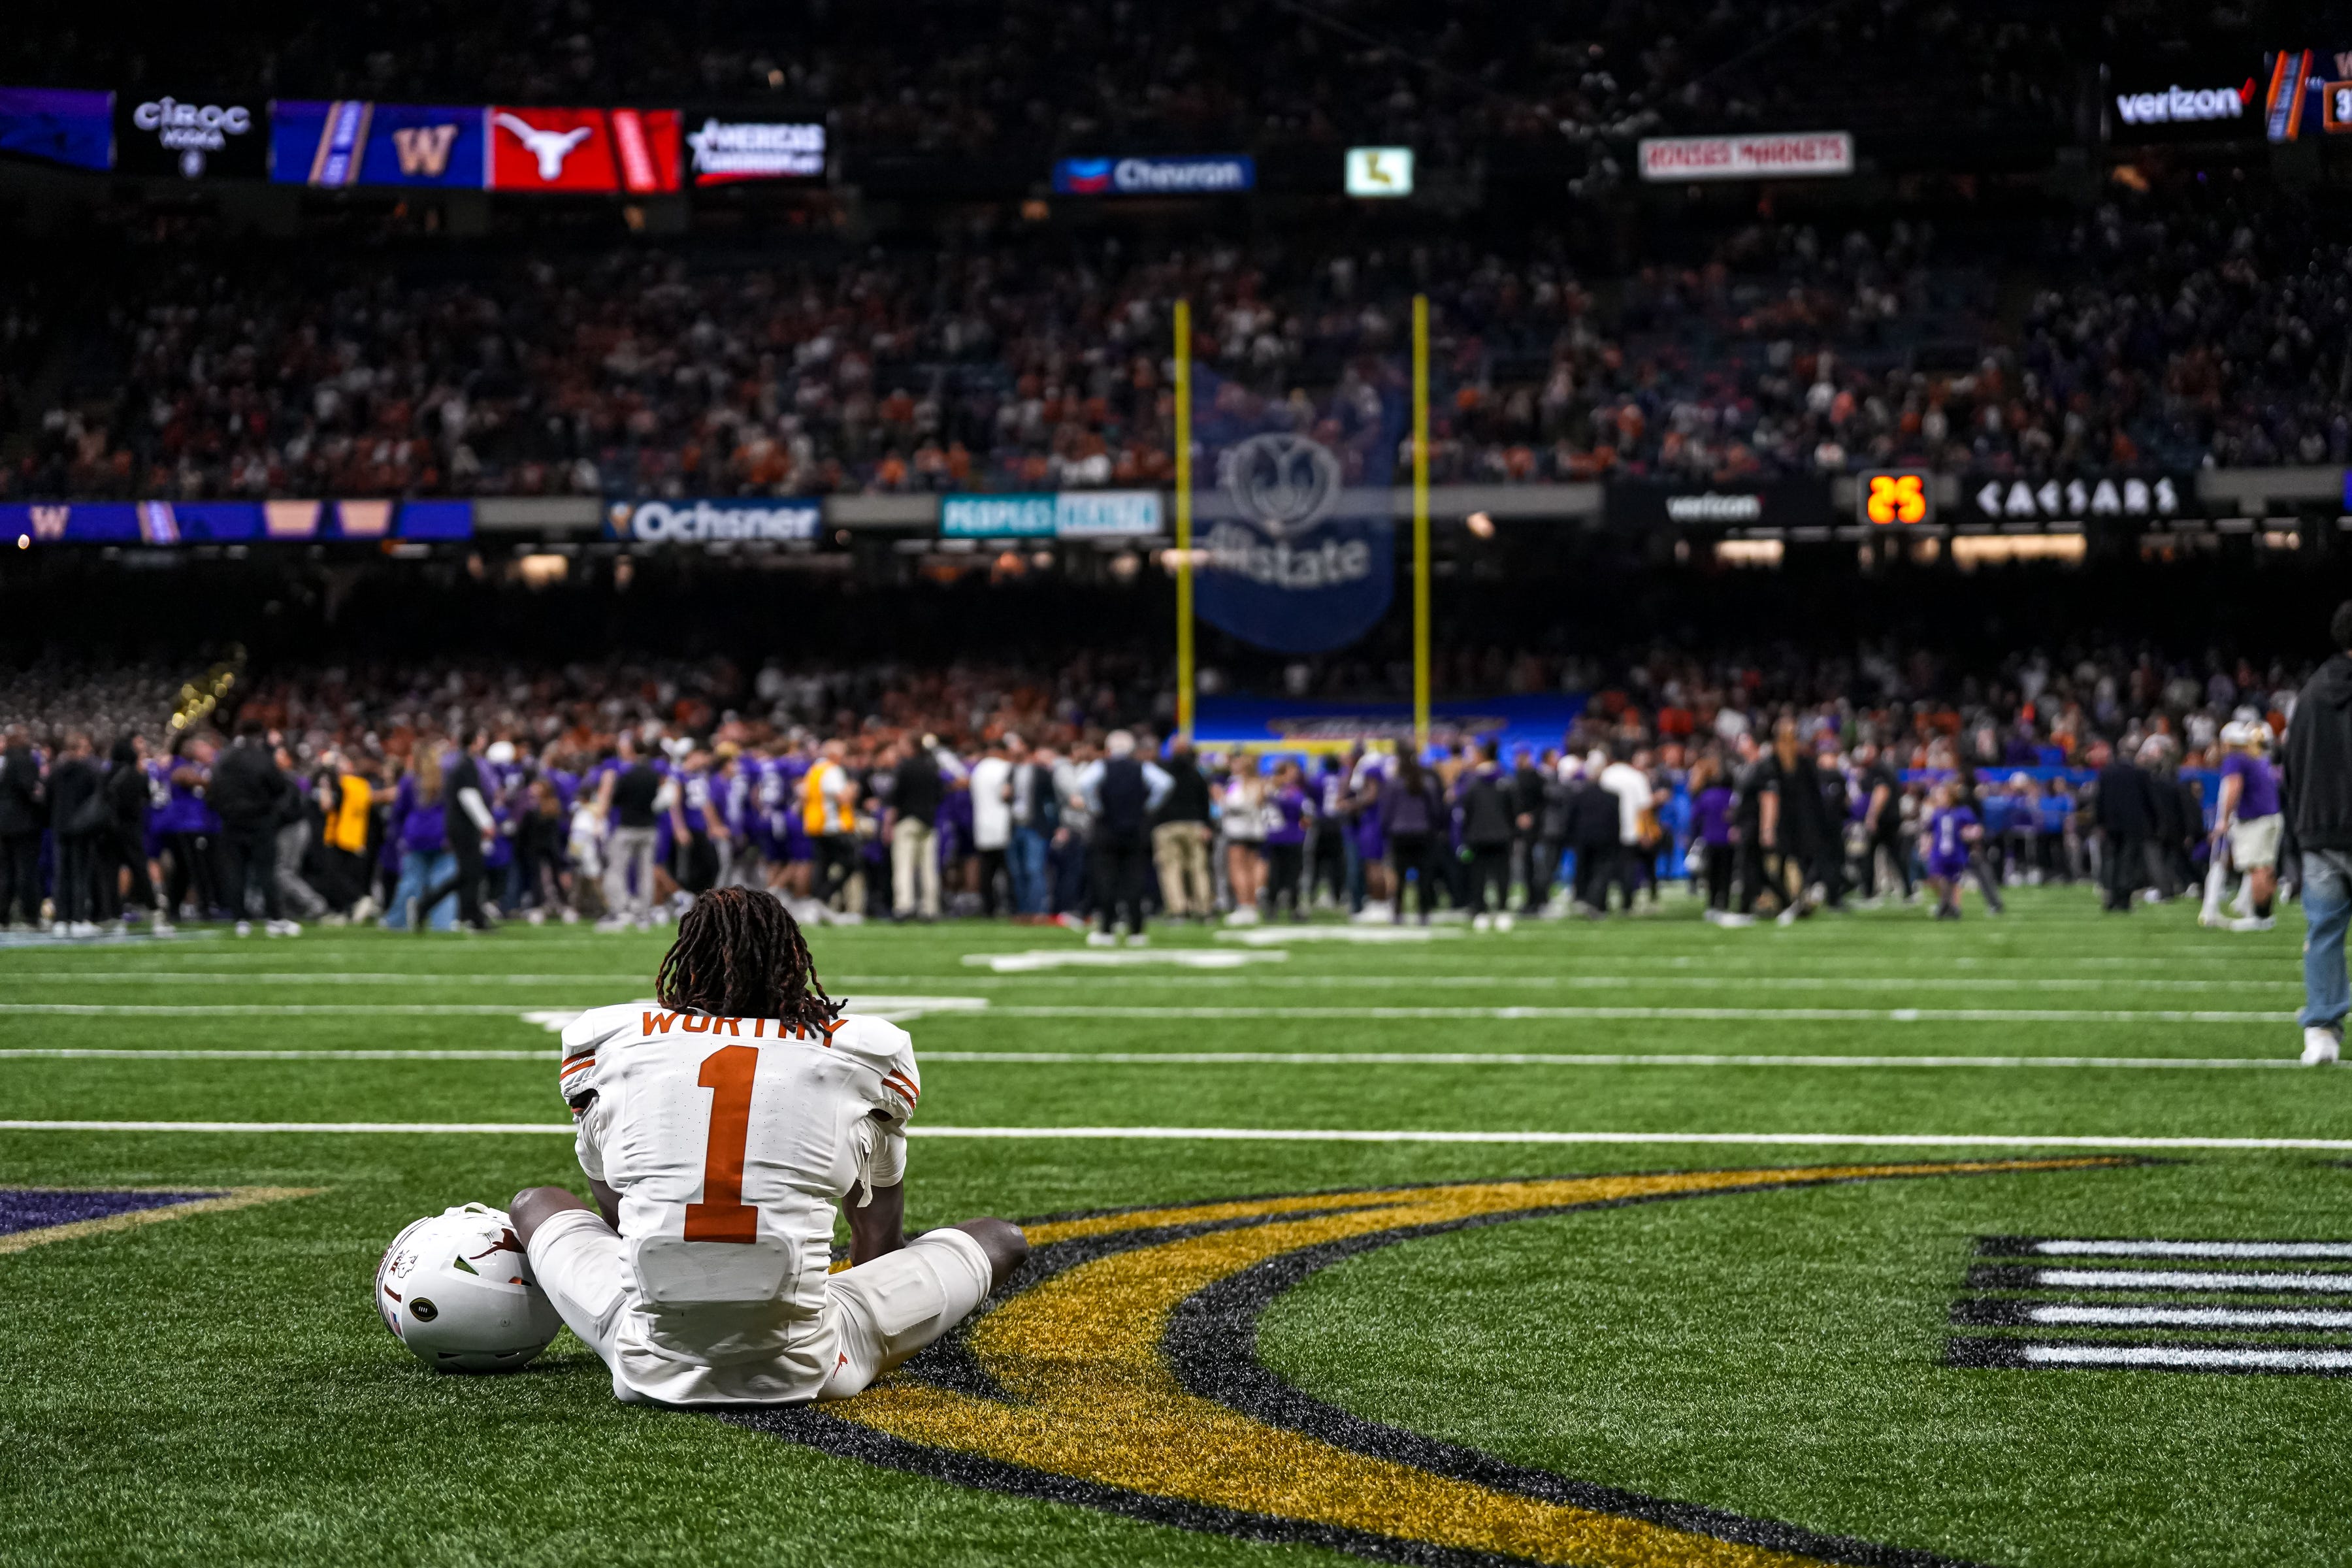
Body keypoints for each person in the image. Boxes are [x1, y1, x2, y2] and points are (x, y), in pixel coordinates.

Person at [508, 887, 1029, 1406]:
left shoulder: (612, 1046)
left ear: (686, 967)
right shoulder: (862, 1055)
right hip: (807, 1365)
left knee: (535, 1204)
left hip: (648, 1361)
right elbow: (876, 1239)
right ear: (792, 964)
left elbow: (621, 1219)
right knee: (1001, 1240)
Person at [2284, 602, 2352, 1065]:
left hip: (2318, 830)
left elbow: (2290, 768)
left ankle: (2322, 1032)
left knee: (2324, 932)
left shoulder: (2308, 695)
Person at [1077, 729, 1170, 946]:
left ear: (1109, 749)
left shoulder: (1102, 766)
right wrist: (1148, 808)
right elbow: (1165, 784)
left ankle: (1107, 930)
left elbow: (1084, 784)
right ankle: (1136, 931)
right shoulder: (1142, 767)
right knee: (1135, 880)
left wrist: (1096, 807)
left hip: (1107, 829)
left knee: (1105, 880)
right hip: (1135, 830)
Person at [208, 721, 300, 937]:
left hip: (231, 822)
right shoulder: (261, 758)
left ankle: (240, 919)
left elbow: (214, 790)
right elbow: (279, 787)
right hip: (260, 821)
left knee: (235, 871)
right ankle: (275, 919)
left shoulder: (225, 758)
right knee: (266, 871)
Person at [2208, 720, 2282, 932]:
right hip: (2272, 816)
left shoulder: (2236, 759)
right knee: (2266, 868)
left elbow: (2234, 787)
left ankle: (2259, 918)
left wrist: (2223, 818)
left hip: (2255, 820)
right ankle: (2265, 916)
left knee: (2257, 868)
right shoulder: (2258, 758)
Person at [599, 733, 664, 930]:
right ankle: (644, 913)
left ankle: (620, 910)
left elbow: (615, 800)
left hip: (627, 827)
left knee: (617, 870)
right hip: (649, 827)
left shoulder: (626, 775)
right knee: (646, 872)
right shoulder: (654, 774)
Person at [101, 734, 165, 933]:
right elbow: (145, 799)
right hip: (130, 830)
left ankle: (114, 914)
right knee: (140, 871)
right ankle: (155, 912)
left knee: (110, 873)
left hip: (108, 830)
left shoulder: (106, 774)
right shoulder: (135, 775)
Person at [47, 732, 105, 937]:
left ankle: (61, 920)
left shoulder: (56, 772)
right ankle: (79, 919)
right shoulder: (89, 772)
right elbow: (97, 801)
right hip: (82, 830)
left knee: (62, 875)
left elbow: (47, 798)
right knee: (80, 874)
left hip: (60, 828)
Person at [2087, 740, 2155, 914]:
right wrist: (2152, 822)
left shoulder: (2107, 773)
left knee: (2111, 860)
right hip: (2133, 825)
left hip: (2111, 825)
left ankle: (2110, 898)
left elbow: (2099, 800)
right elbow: (2149, 801)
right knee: (2128, 862)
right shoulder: (2140, 773)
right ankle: (2124, 899)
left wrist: (2100, 822)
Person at [1151, 737, 1215, 921]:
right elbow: (1205, 801)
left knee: (1171, 869)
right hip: (1194, 824)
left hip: (1167, 825)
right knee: (1199, 868)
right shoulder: (1198, 771)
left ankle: (1178, 909)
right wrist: (1207, 825)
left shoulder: (1162, 769)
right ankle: (1204, 908)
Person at [1455, 740, 1514, 931]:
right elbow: (1513, 811)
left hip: (1478, 835)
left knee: (1479, 875)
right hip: (1501, 835)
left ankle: (1481, 912)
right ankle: (1502, 911)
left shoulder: (1472, 782)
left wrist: (1465, 835)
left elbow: (1466, 812)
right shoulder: (1505, 780)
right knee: (1501, 875)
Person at [1380, 749, 1445, 925]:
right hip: (1423, 834)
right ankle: (1423, 913)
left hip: (1399, 834)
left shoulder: (1394, 783)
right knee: (1424, 875)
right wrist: (1435, 829)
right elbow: (1436, 810)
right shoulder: (1427, 782)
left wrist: (1386, 830)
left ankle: (1398, 912)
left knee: (1399, 875)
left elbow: (1387, 812)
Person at [887, 735, 944, 923]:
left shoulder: (904, 767)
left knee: (904, 865)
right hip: (929, 822)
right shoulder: (932, 767)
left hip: (908, 821)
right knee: (929, 868)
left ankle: (904, 906)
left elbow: (896, 798)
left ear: (911, 747)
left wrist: (889, 824)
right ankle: (930, 909)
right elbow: (941, 794)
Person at [0, 725, 44, 930]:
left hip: (3, 824)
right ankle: (30, 915)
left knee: (5, 872)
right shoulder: (24, 760)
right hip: (24, 824)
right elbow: (31, 791)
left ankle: (3, 916)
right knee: (26, 871)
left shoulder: (4, 760)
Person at [1919, 781, 1984, 920]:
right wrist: (1925, 847)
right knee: (1936, 877)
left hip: (1956, 852)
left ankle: (1952, 906)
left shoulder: (1963, 812)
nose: (1939, 798)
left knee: (1953, 881)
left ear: (1951, 797)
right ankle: (1946, 903)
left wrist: (1970, 835)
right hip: (1939, 853)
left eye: (1942, 795)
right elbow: (1928, 831)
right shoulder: (1937, 813)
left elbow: (1976, 829)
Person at [1219, 755, 1269, 923]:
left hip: (1238, 831)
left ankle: (1244, 905)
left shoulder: (1237, 784)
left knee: (1237, 869)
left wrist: (1220, 797)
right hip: (1255, 832)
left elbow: (1234, 804)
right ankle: (1252, 905)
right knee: (1250, 868)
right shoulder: (1260, 783)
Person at [968, 739, 1012, 917]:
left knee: (987, 872)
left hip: (982, 826)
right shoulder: (1005, 768)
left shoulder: (978, 770)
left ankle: (988, 908)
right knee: (1008, 871)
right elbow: (1007, 795)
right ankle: (1010, 906)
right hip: (1003, 825)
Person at [1263, 759, 1310, 922]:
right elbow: (1305, 814)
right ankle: (1292, 908)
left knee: (1277, 874)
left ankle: (1273, 907)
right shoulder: (1291, 792)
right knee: (1289, 875)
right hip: (1290, 836)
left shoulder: (1268, 789)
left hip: (1274, 836)